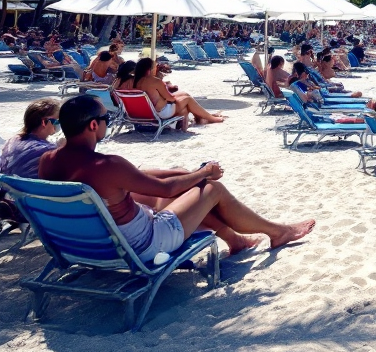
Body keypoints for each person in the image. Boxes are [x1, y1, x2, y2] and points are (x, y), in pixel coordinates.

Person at [38, 95, 314, 259]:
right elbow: (166, 190)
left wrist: (188, 174)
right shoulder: (107, 165)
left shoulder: (48, 161)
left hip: (85, 244)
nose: (107, 122)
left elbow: (139, 177)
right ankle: (277, 232)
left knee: (185, 183)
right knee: (211, 189)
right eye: (106, 119)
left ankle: (237, 241)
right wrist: (204, 173)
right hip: (140, 245)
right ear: (93, 125)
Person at [132, 57, 225, 128]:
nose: (156, 68)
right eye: (155, 67)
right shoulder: (155, 81)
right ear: (150, 69)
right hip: (161, 112)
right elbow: (170, 98)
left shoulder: (136, 81)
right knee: (187, 99)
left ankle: (201, 118)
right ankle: (211, 118)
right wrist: (169, 97)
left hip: (147, 111)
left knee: (184, 94)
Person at [0, 98, 61, 179]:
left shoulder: (11, 141)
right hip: (33, 187)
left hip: (8, 186)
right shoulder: (49, 151)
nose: (59, 124)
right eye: (56, 121)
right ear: (43, 122)